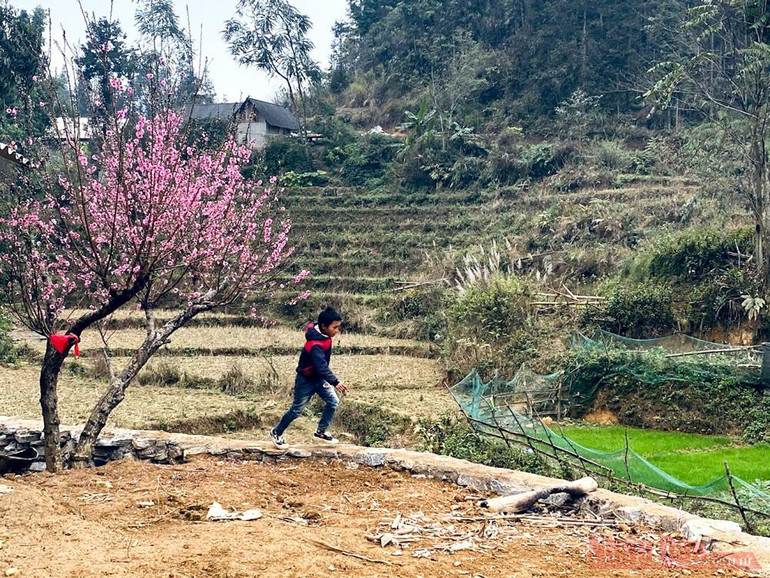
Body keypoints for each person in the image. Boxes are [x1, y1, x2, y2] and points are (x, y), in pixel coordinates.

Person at [270, 307, 348, 448]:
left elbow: (321, 367)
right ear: (324, 326)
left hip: (320, 378)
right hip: (306, 380)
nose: (337, 331)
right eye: (335, 327)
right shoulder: (314, 344)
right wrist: (335, 382)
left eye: (338, 327)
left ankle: (321, 431)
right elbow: (321, 366)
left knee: (333, 401)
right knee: (297, 410)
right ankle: (277, 432)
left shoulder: (325, 336)